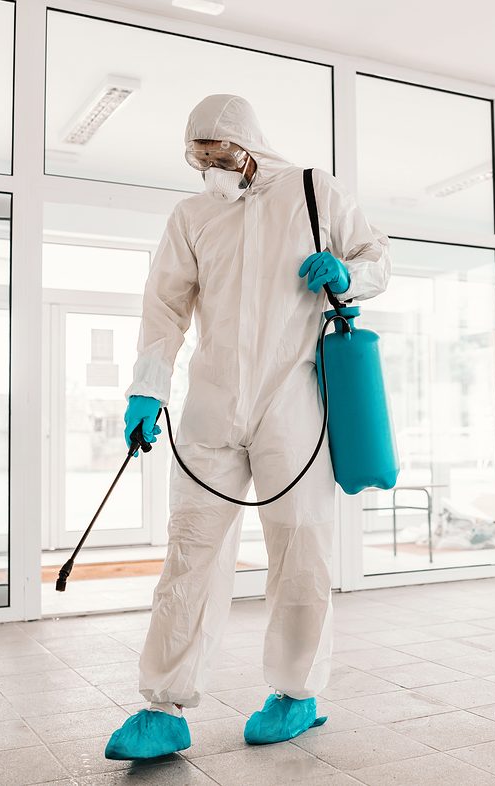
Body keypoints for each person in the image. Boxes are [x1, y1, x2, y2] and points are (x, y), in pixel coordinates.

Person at [104, 94, 391, 759]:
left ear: (250, 146)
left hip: (293, 397)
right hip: (211, 401)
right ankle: (164, 707)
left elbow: (378, 257)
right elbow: (164, 310)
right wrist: (147, 390)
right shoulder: (193, 215)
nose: (212, 168)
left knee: (300, 549)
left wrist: (349, 275)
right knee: (190, 548)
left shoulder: (312, 192)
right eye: (199, 158)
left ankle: (296, 693)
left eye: (222, 155)